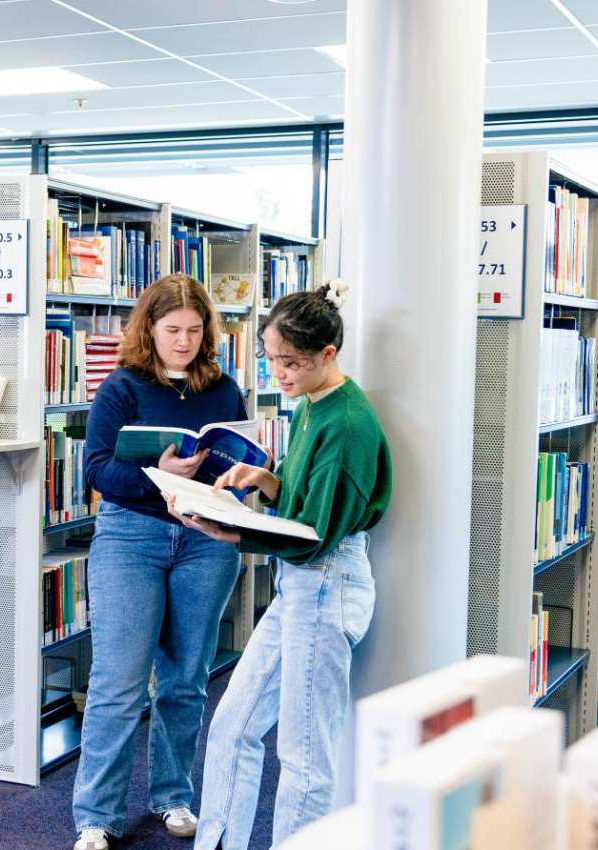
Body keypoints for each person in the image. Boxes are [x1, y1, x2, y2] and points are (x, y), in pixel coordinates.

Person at [175, 279, 391, 847]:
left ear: (328, 355)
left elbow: (316, 534)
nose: (281, 375)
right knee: (232, 727)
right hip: (300, 584)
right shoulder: (313, 406)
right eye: (272, 361)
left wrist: (230, 531)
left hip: (325, 583)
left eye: (292, 363)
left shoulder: (345, 423)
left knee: (303, 757)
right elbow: (300, 503)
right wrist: (266, 480)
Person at [70, 276, 250, 850]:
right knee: (119, 682)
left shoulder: (224, 388)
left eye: (195, 331)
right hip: (133, 538)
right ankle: (96, 815)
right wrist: (159, 476)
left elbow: (239, 453)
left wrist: (235, 478)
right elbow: (95, 472)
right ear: (149, 328)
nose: (184, 342)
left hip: (207, 539)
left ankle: (173, 795)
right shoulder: (122, 387)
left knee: (186, 679)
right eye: (173, 330)